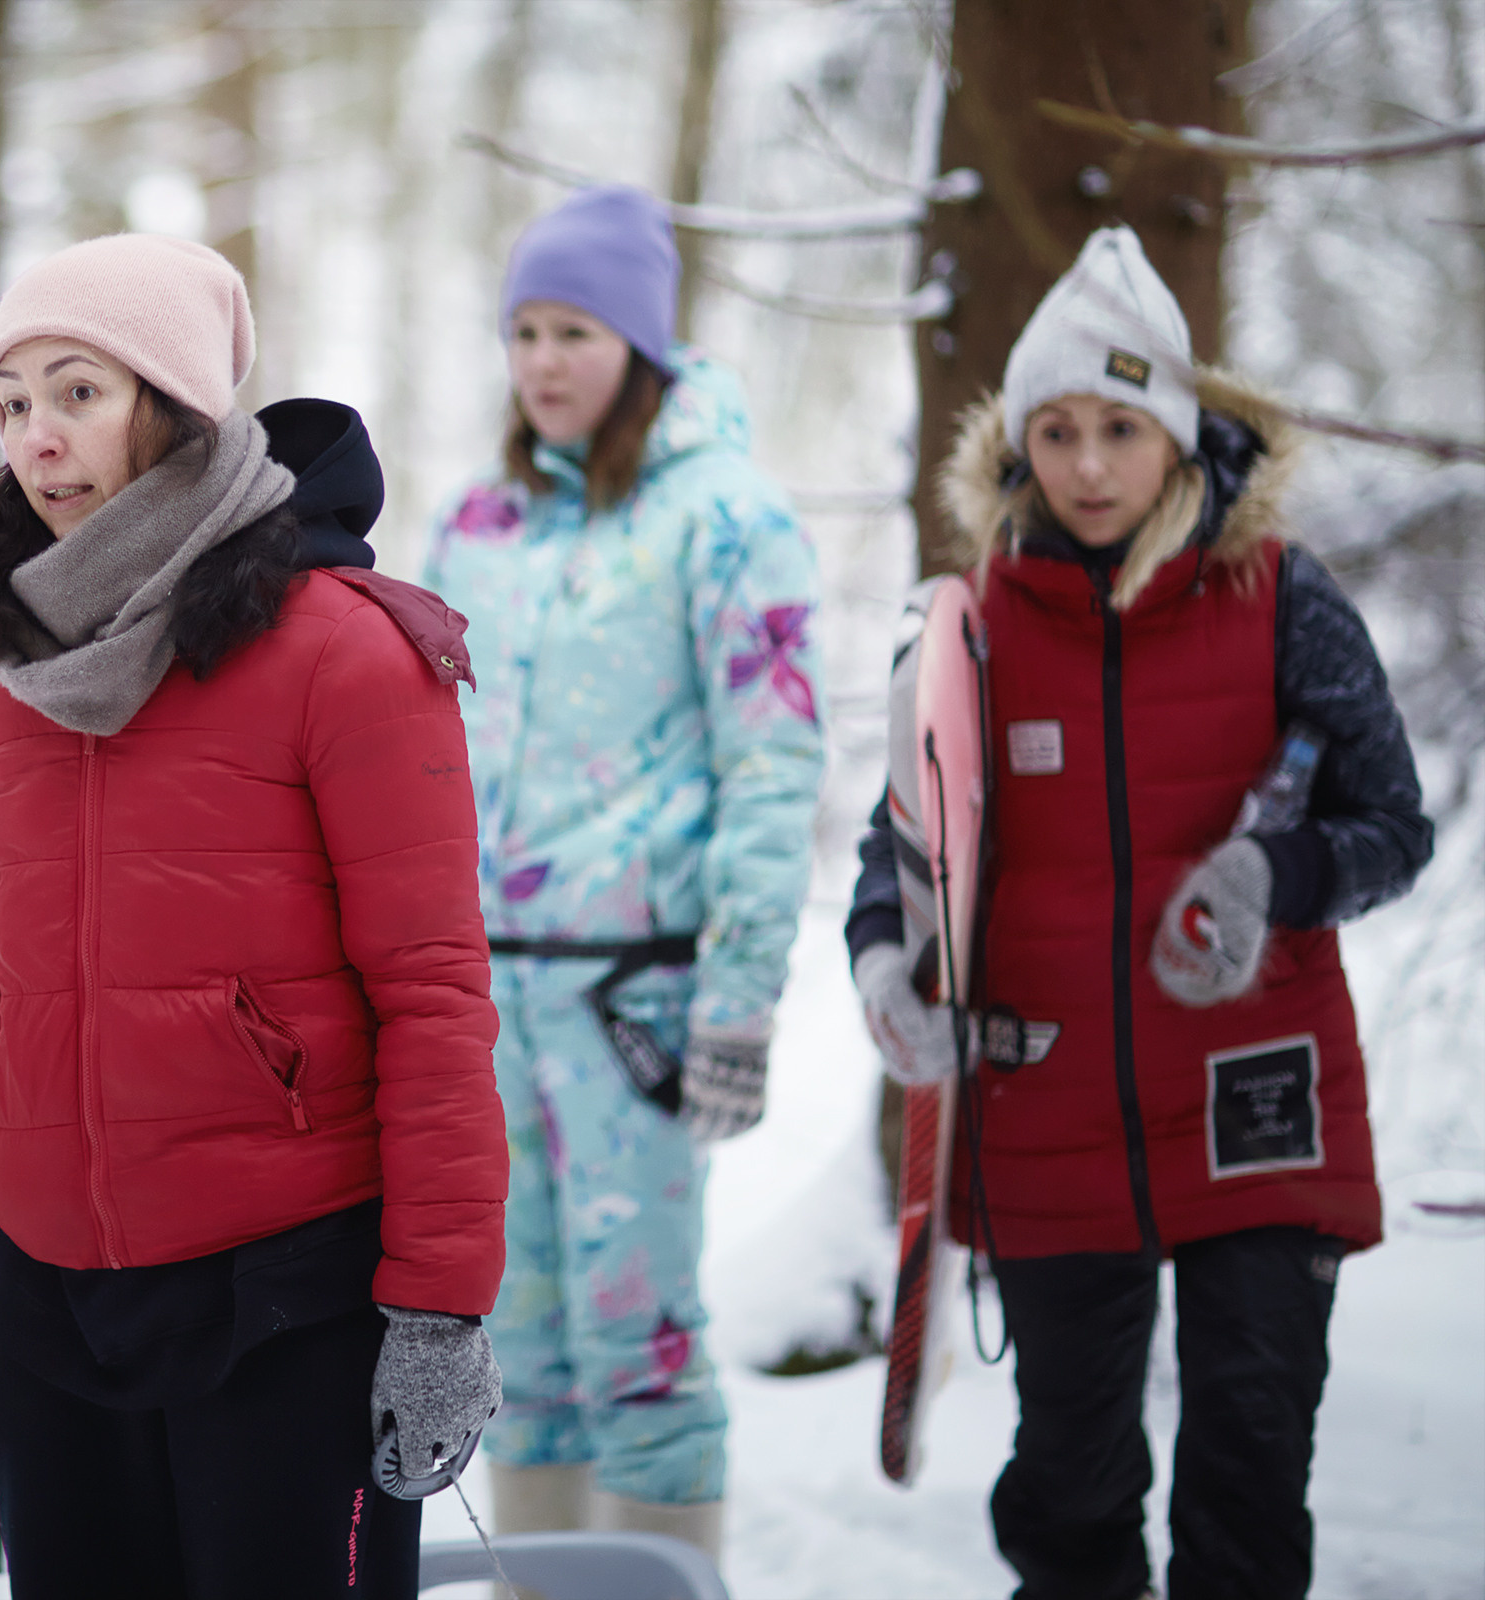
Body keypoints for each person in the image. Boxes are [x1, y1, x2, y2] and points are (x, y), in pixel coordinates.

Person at [0, 234, 508, 1600]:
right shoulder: (1, 683)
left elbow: (431, 992)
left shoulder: (349, 651)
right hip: (54, 1310)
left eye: (78, 391)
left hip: (287, 1303)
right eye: (13, 400)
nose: (39, 436)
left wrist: (438, 1311)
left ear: (175, 398)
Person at [847, 226, 1433, 1600]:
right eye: (1058, 430)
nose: (1091, 465)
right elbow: (904, 845)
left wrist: (1271, 880)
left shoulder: (1282, 597)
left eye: (1121, 425)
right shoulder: (971, 626)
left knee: (1246, 1462)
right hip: (1051, 1115)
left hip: (1256, 1102)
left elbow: (1394, 827)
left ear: (1177, 430)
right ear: (1018, 446)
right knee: (1071, 1487)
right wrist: (887, 963)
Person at [423, 185, 824, 1565]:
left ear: (641, 345)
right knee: (512, 1339)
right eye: (525, 329)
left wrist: (739, 1000)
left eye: (575, 330)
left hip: (636, 1003)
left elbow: (774, 770)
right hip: (485, 998)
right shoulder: (475, 524)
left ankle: (662, 1586)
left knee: (638, 1338)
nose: (542, 360)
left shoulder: (728, 521)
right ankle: (544, 1585)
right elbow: (414, 761)